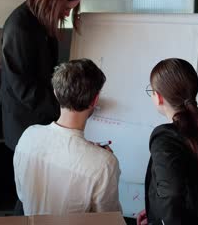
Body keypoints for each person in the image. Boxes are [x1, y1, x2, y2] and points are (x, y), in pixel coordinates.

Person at [136, 59, 198, 225]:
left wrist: (160, 220)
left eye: (152, 91)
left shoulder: (165, 138)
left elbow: (171, 193)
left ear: (159, 97)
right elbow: (196, 191)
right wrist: (155, 211)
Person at [14, 59, 122, 215]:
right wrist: (104, 161)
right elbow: (109, 220)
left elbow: (22, 195)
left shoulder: (28, 136)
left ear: (56, 93)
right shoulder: (105, 163)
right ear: (95, 99)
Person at [0, 0, 83, 151]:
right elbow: (24, 88)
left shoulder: (41, 19)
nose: (66, 15)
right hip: (24, 123)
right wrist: (65, 109)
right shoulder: (19, 27)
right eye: (66, 8)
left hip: (41, 116)